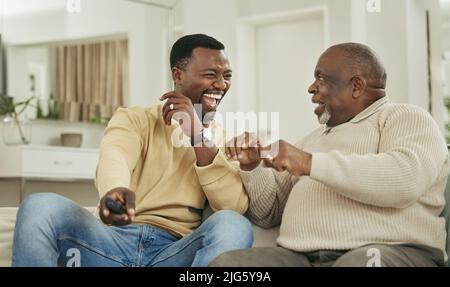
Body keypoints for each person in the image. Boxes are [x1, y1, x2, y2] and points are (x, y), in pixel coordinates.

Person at [12, 34, 253, 267]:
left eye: (227, 76)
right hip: (108, 243)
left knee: (234, 224)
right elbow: (115, 156)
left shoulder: (222, 140)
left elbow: (233, 207)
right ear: (177, 75)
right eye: (211, 75)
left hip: (174, 253)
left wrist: (197, 136)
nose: (221, 85)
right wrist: (115, 191)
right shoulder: (135, 119)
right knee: (39, 205)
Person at [210, 43, 449, 267]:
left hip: (389, 250)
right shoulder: (311, 139)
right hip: (300, 258)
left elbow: (404, 180)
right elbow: (268, 214)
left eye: (321, 78)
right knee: (229, 265)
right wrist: (253, 168)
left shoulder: (405, 118)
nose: (311, 87)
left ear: (356, 86)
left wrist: (307, 162)